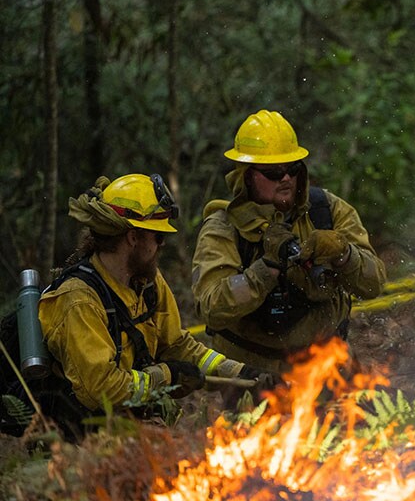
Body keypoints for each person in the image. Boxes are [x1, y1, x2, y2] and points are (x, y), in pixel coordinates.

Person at [36, 173, 260, 437]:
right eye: (158, 237)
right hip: (82, 441)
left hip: (133, 425)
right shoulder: (79, 300)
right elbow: (103, 390)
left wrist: (242, 374)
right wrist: (167, 375)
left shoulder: (147, 282)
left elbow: (177, 345)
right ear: (133, 237)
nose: (161, 246)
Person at [191, 109, 386, 374]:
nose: (285, 178)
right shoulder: (223, 228)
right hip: (255, 379)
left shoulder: (326, 211)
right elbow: (211, 307)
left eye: (293, 169)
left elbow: (374, 283)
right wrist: (265, 270)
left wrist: (343, 255)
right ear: (247, 175)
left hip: (325, 369)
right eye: (273, 172)